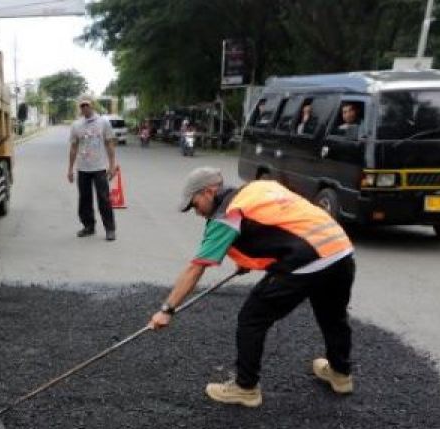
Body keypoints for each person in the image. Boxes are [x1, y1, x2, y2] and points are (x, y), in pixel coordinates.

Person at [148, 167, 357, 408]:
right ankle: (341, 374)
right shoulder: (257, 188)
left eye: (194, 205)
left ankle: (245, 388)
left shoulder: (227, 214)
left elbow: (196, 268)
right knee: (333, 315)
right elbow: (278, 226)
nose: (196, 213)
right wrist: (246, 261)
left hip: (308, 260)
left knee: (252, 318)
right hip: (340, 250)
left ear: (208, 192)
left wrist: (166, 310)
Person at [67, 96, 117, 242]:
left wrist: (112, 165)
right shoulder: (76, 125)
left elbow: (109, 144)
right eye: (82, 106)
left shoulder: (103, 122)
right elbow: (73, 147)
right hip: (82, 168)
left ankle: (110, 229)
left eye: (86, 105)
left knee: (104, 199)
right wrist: (70, 169)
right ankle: (89, 226)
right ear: (79, 107)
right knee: (84, 200)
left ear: (92, 105)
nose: (84, 108)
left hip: (99, 167)